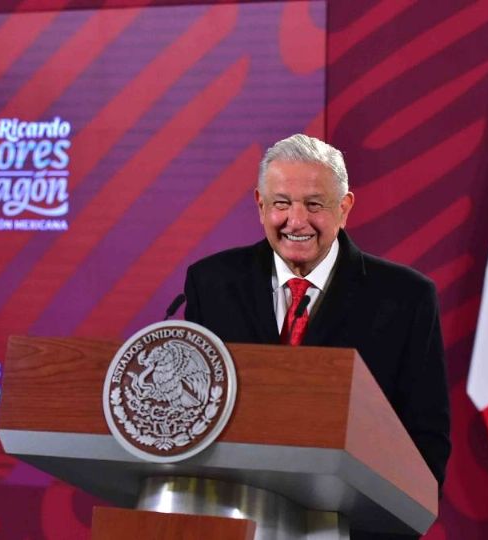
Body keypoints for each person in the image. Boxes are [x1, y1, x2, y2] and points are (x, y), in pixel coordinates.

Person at [183, 134, 450, 531]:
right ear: (260, 205)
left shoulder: (406, 299)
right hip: (231, 521)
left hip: (352, 528)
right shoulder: (211, 283)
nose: (296, 221)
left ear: (344, 208)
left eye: (314, 205)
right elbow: (190, 415)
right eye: (281, 204)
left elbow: (425, 440)